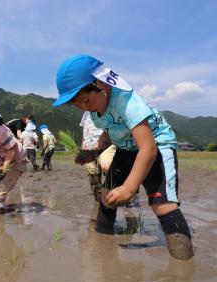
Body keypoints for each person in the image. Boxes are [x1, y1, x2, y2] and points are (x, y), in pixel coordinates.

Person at [53, 54, 193, 260]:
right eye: (77, 105)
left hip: (157, 144)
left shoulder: (128, 103)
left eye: (85, 100)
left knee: (161, 204)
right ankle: (103, 245)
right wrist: (93, 152)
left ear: (99, 84)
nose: (84, 107)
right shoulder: (95, 111)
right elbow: (109, 133)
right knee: (107, 195)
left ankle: (183, 264)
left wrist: (129, 188)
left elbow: (148, 148)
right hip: (126, 148)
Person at [79, 112, 116, 200]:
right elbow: (84, 131)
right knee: (93, 175)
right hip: (88, 148)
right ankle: (99, 199)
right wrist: (82, 147)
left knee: (108, 170)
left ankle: (111, 196)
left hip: (105, 146)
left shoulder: (104, 109)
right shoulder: (85, 114)